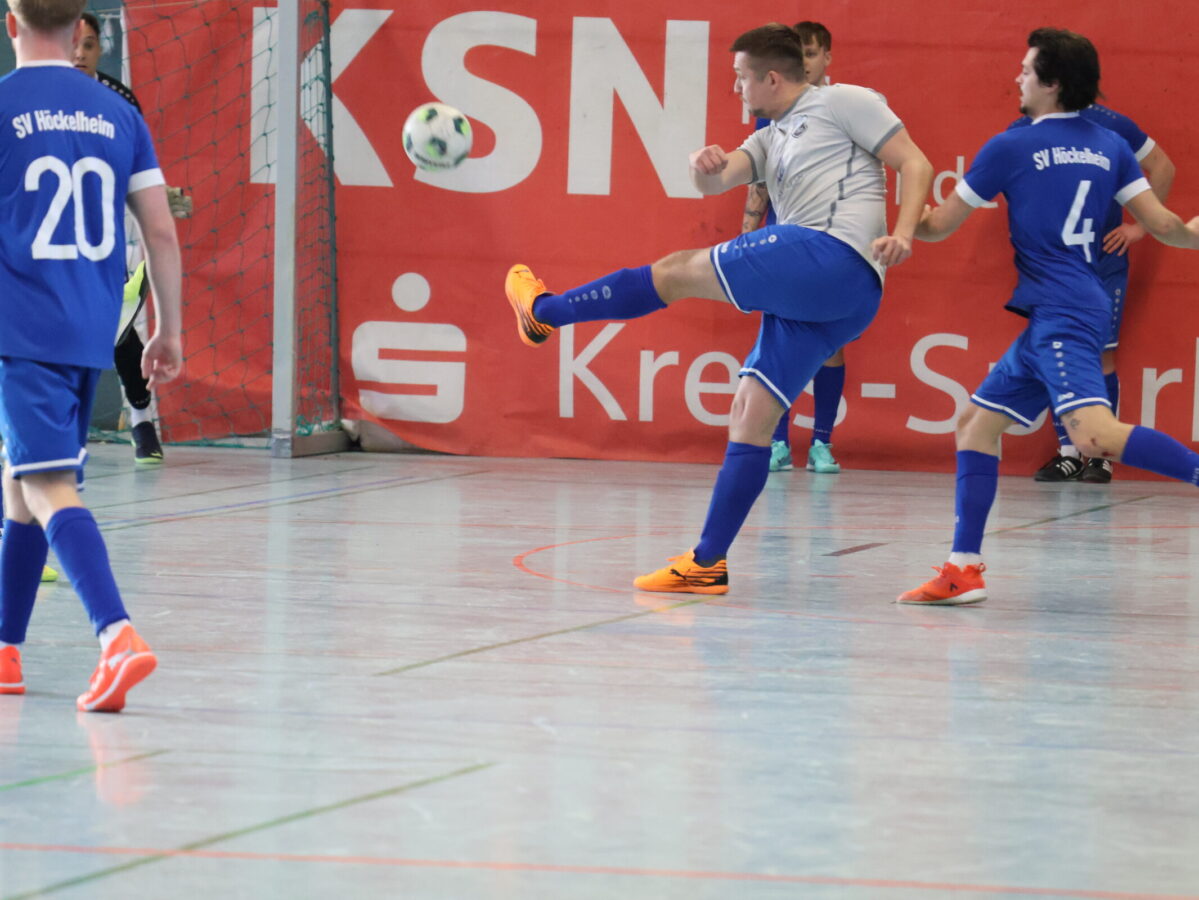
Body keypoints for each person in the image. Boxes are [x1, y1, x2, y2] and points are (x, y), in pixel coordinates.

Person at [505, 23, 933, 594]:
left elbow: (917, 164)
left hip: (831, 255)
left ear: (771, 78)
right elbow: (718, 180)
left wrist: (902, 233)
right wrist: (701, 166)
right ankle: (707, 562)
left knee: (675, 270)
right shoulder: (768, 138)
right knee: (750, 413)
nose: (736, 88)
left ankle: (546, 311)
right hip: (838, 300)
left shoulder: (843, 102)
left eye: (740, 78)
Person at [897, 28, 1199, 606]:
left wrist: (893, 217)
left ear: (1052, 83)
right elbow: (1165, 226)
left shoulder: (1010, 147)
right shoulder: (1110, 145)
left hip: (1063, 311)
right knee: (976, 425)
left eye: (1026, 69)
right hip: (1067, 306)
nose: (1017, 77)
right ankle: (963, 569)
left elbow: (936, 227)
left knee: (1093, 435)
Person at [0, 0, 183, 710]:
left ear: (10, 24)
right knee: (20, 486)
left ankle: (116, 636)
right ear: (80, 29)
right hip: (89, 331)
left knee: (47, 484)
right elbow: (160, 232)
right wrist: (168, 329)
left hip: (22, 330)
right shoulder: (119, 113)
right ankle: (6, 651)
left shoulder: (4, 105)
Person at [1015, 104, 1175, 484]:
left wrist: (1140, 227)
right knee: (1057, 352)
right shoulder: (1024, 128)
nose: (1024, 80)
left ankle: (1102, 455)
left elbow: (1163, 167)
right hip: (1054, 264)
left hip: (1103, 262)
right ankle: (1068, 454)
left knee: (1103, 355)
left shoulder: (1112, 125)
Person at [73, 11, 191, 466]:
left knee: (118, 328)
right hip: (50, 237)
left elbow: (137, 170)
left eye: (88, 44)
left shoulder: (119, 101)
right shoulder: (32, 98)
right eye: (73, 43)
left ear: (100, 49)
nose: (79, 53)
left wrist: (157, 198)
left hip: (107, 229)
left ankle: (142, 421)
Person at [742, 21, 845, 475]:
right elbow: (759, 179)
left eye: (812, 52)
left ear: (827, 58)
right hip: (780, 242)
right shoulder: (772, 110)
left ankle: (822, 443)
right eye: (798, 53)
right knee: (778, 339)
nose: (805, 61)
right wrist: (748, 230)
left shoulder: (844, 107)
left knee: (831, 344)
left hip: (831, 245)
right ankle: (778, 441)